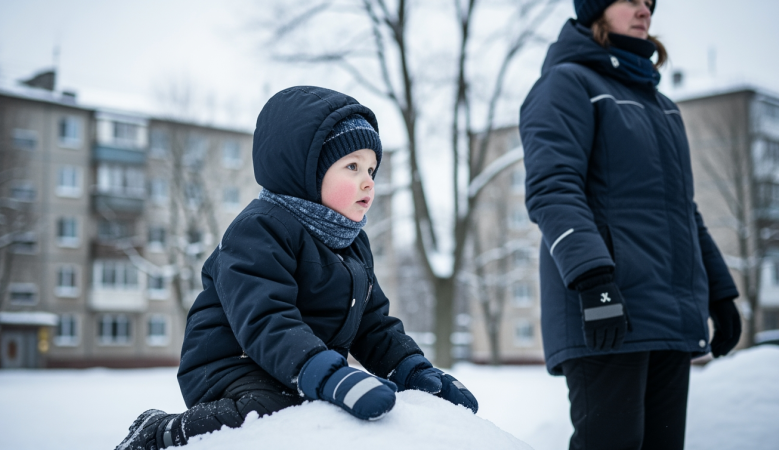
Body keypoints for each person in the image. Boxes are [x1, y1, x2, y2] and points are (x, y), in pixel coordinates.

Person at [115, 86, 478, 450]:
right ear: (306, 171)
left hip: (304, 367)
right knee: (278, 409)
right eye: (352, 166)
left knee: (309, 404)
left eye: (371, 169)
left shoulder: (352, 243)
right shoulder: (260, 228)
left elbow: (373, 325)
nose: (368, 180)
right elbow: (266, 318)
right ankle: (160, 431)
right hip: (232, 363)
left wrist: (413, 370)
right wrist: (327, 373)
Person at [520, 1, 742, 449]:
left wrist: (720, 293)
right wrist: (593, 279)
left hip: (667, 313)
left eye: (649, 1)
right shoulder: (566, 84)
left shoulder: (662, 106)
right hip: (604, 310)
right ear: (595, 10)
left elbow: (682, 209)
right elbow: (552, 188)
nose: (644, 8)